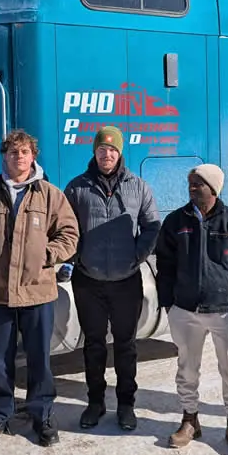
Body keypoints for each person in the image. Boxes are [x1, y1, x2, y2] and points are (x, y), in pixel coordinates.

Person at [0, 129, 79, 448]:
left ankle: (43, 415)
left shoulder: (49, 194)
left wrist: (46, 255)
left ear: (33, 156)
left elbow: (69, 234)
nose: (19, 157)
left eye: (24, 152)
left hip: (37, 291)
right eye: (13, 152)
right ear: (5, 156)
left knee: (40, 359)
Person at [155, 164, 228, 455]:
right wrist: (170, 304)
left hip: (227, 311)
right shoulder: (175, 221)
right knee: (187, 369)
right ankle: (190, 420)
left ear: (214, 188)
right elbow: (164, 266)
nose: (192, 188)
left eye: (199, 183)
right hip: (186, 310)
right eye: (191, 183)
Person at [63, 125, 160, 431]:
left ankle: (126, 405)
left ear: (120, 153)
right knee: (93, 344)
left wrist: (137, 256)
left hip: (126, 280)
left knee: (125, 345)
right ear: (94, 152)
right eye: (102, 149)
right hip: (88, 281)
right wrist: (77, 257)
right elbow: (65, 228)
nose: (107, 154)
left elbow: (152, 226)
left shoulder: (138, 187)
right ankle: (95, 403)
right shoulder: (77, 188)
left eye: (112, 150)